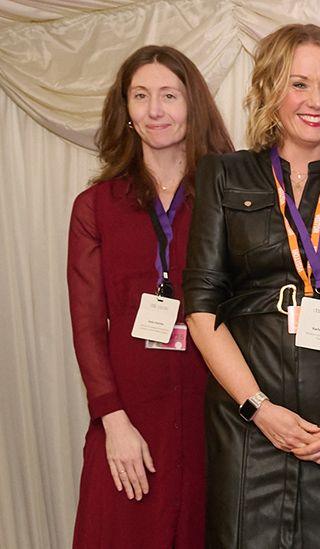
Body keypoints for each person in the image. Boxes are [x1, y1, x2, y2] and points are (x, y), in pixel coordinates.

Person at [184, 24, 320, 548]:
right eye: (299, 83)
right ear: (270, 88)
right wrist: (259, 409)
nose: (316, 101)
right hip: (247, 426)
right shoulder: (223, 175)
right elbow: (202, 308)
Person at [67, 45, 233, 548]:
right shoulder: (95, 207)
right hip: (128, 422)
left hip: (215, 420)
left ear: (193, 105)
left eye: (169, 95)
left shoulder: (229, 198)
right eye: (141, 96)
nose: (155, 110)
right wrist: (112, 421)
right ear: (126, 110)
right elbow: (88, 327)